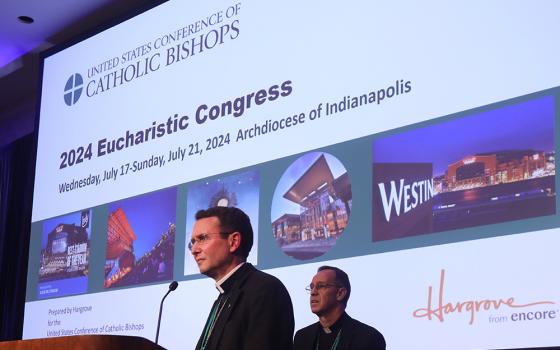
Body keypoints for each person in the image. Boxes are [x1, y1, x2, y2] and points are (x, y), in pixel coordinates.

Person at [190, 206, 295, 350]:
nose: (194, 250)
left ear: (233, 242)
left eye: (202, 238)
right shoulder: (223, 296)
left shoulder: (265, 290)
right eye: (193, 242)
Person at [294, 266, 386, 350]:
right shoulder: (302, 337)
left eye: (321, 286)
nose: (313, 292)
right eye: (312, 287)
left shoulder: (368, 337)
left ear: (340, 293)